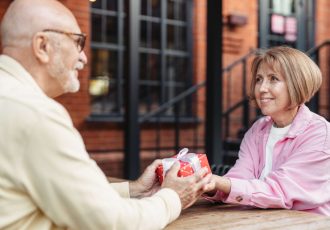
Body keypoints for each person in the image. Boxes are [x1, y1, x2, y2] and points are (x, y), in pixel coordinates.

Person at [0, 0, 212, 229]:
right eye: (77, 41)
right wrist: (172, 197)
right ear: (43, 46)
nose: (84, 58)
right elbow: (111, 223)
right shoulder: (36, 115)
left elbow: (69, 196)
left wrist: (135, 189)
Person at [205, 46, 330, 216]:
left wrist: (220, 182)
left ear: (297, 84)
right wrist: (209, 186)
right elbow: (239, 179)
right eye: (258, 79)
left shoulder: (319, 133)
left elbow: (281, 191)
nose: (262, 88)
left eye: (273, 79)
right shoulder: (258, 130)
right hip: (262, 221)